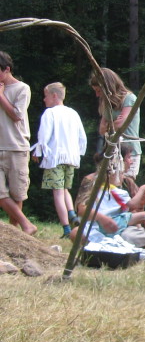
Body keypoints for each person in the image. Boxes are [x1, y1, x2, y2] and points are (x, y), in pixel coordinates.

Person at [32, 82, 87, 237]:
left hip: (55, 157)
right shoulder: (73, 113)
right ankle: (72, 214)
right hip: (71, 157)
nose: (44, 99)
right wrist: (78, 153)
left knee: (57, 193)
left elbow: (44, 136)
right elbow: (82, 137)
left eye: (46, 96)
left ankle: (66, 228)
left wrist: (38, 152)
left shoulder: (49, 113)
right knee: (65, 189)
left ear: (54, 96)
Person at [0, 51, 35, 234]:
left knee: (17, 193)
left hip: (16, 147)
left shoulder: (22, 88)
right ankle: (27, 224)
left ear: (6, 69)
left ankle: (15, 235)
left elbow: (16, 115)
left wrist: (1, 96)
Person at [89, 68, 142, 183]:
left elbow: (120, 124)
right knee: (109, 184)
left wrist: (110, 123)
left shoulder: (129, 98)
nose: (97, 95)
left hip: (129, 152)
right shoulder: (107, 103)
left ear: (107, 87)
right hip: (112, 151)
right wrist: (113, 123)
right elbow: (102, 129)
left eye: (99, 91)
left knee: (126, 183)